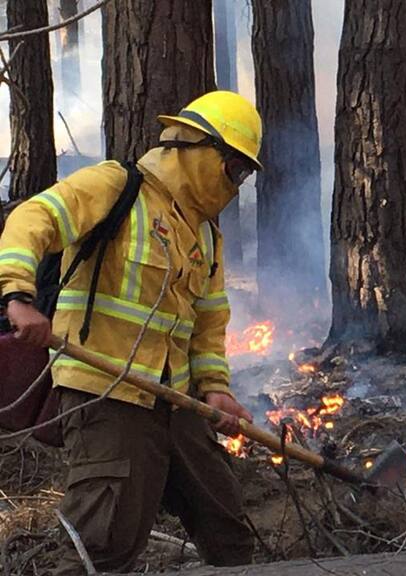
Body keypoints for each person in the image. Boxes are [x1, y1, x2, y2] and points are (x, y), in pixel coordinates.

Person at [0, 91, 262, 574]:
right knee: (102, 545)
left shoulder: (206, 236)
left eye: (245, 173)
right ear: (200, 149)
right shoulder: (117, 187)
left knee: (227, 527)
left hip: (176, 401)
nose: (237, 183)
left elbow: (208, 324)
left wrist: (216, 389)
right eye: (235, 168)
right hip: (108, 394)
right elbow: (32, 219)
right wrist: (18, 295)